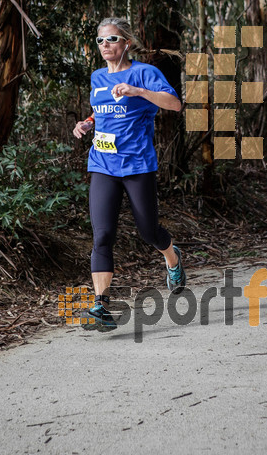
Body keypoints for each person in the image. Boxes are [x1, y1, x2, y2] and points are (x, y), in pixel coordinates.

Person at [72, 17, 186, 331]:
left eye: (111, 40)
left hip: (137, 165)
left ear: (126, 43)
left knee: (149, 231)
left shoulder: (145, 73)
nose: (105, 46)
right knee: (103, 235)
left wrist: (137, 91)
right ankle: (101, 305)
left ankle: (172, 257)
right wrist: (87, 123)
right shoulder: (97, 77)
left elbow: (174, 104)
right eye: (100, 41)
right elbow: (102, 110)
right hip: (103, 165)